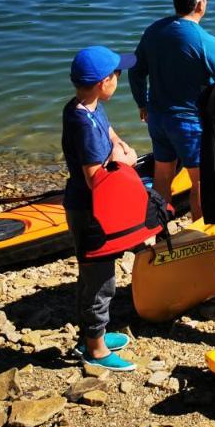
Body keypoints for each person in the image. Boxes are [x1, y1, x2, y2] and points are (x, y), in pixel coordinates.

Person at [62, 45, 140, 371]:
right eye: (117, 75)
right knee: (99, 279)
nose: (120, 78)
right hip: (91, 210)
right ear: (103, 81)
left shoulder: (85, 105)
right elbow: (96, 178)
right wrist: (124, 161)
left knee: (96, 273)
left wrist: (119, 143)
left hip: (91, 207)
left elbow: (106, 130)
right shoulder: (82, 123)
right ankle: (94, 348)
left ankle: (96, 334)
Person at [130, 0, 215, 221]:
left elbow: (135, 71)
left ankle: (158, 231)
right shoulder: (206, 42)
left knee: (163, 176)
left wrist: (142, 103)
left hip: (158, 118)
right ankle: (199, 235)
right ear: (199, 5)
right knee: (200, 181)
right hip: (189, 124)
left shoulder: (154, 31)